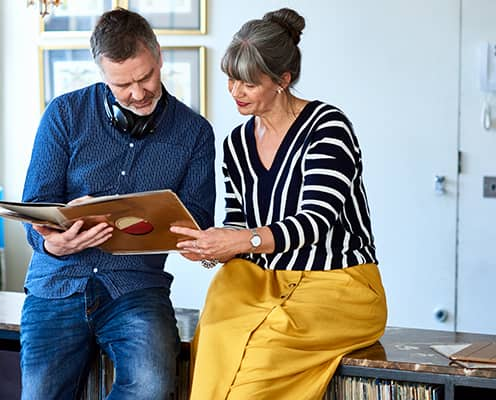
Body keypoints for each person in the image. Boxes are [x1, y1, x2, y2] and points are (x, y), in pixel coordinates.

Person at [170, 8, 387, 400]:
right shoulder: (236, 144)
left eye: (248, 83)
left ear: (282, 81)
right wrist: (209, 248)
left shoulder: (328, 127)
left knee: (259, 361)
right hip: (257, 283)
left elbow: (316, 221)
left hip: (336, 284)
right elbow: (238, 222)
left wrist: (239, 242)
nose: (235, 92)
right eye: (231, 79)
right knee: (216, 338)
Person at [19, 7, 216, 399]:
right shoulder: (64, 113)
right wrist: (50, 244)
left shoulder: (195, 133)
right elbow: (36, 205)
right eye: (122, 85)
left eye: (145, 77)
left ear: (158, 55)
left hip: (137, 290)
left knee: (151, 388)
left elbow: (196, 220)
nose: (138, 93)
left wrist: (194, 240)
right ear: (101, 73)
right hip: (57, 283)